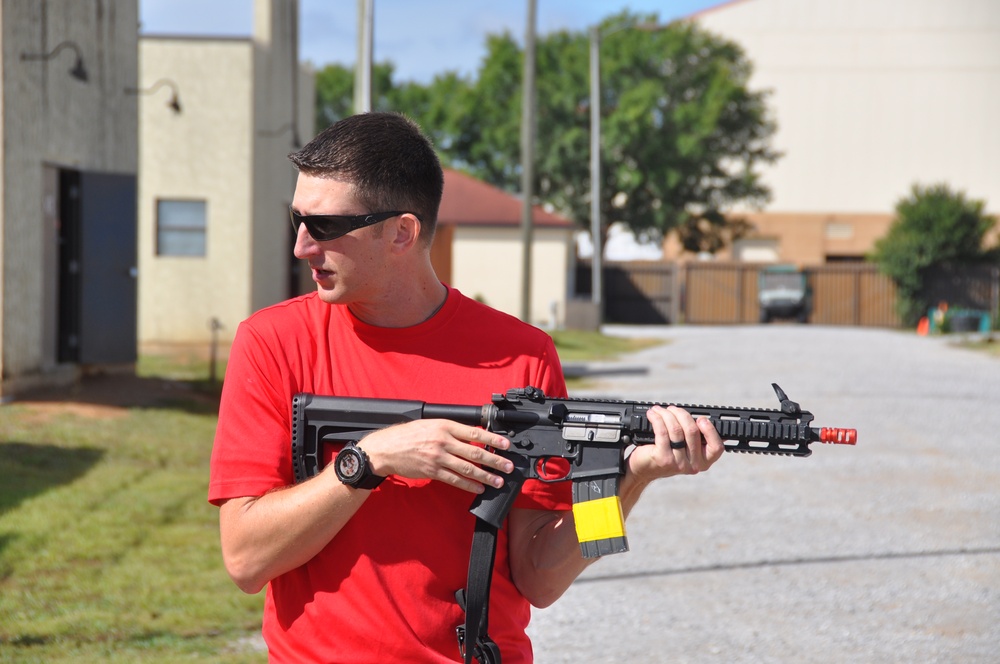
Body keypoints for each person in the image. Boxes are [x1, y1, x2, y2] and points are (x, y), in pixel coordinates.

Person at [208, 111, 724, 663]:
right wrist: (368, 460)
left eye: (327, 227)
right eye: (298, 221)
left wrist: (631, 480)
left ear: (401, 232)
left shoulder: (525, 355)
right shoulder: (272, 342)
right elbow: (245, 559)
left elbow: (540, 581)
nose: (302, 246)